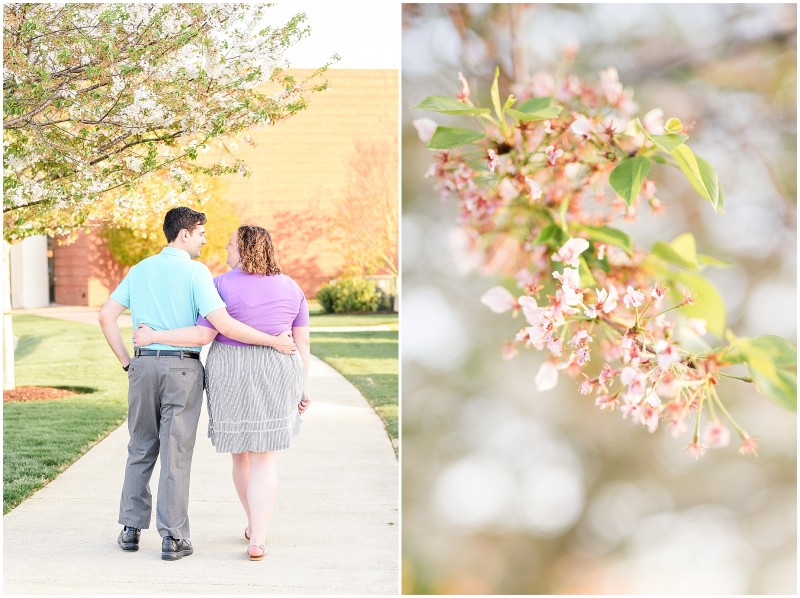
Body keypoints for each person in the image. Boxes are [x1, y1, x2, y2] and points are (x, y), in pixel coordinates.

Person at [98, 207, 296, 562]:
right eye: (201, 234)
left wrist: (128, 362)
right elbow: (217, 328)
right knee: (176, 453)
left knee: (140, 447)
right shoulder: (196, 273)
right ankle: (173, 538)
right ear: (184, 234)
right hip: (182, 370)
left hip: (143, 367)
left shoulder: (140, 269)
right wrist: (275, 342)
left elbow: (106, 316)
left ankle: (130, 529)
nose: (206, 240)